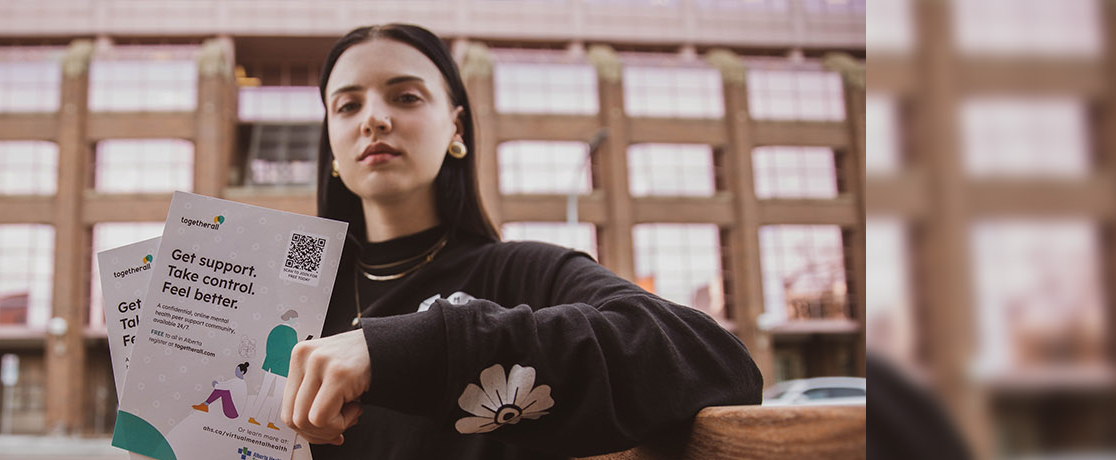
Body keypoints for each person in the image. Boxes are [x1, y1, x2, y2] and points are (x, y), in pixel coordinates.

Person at [278, 23, 764, 459]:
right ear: (333, 145)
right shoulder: (290, 292)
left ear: (457, 127)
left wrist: (401, 351)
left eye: (405, 97)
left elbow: (716, 361)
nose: (374, 119)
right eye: (348, 105)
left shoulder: (521, 274)